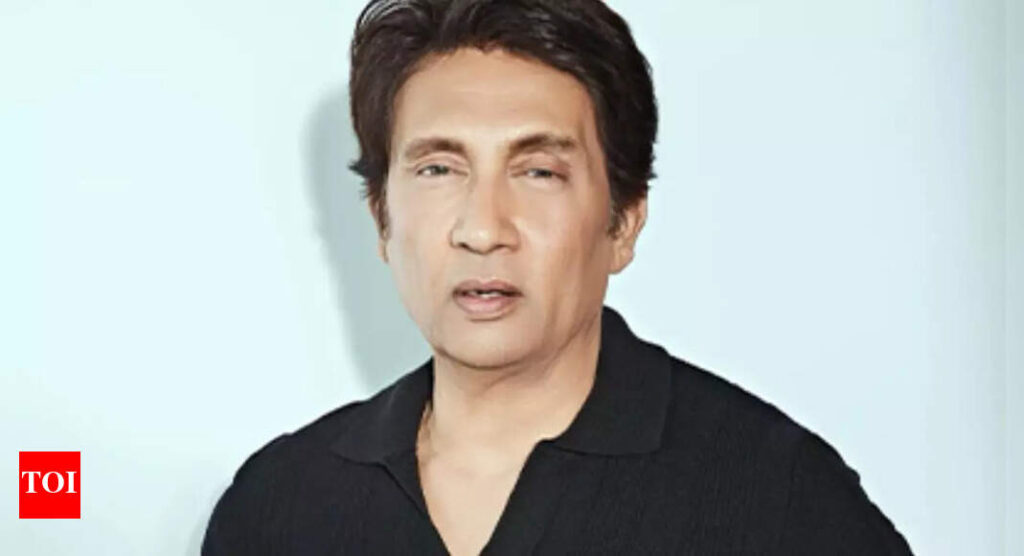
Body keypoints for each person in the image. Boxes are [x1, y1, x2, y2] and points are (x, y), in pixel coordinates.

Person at [202, 0, 914, 553]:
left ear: (623, 222)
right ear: (382, 218)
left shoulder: (777, 498)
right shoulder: (278, 506)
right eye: (439, 169)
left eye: (538, 172)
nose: (483, 228)